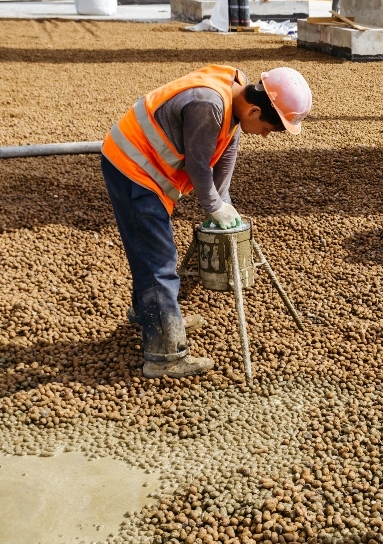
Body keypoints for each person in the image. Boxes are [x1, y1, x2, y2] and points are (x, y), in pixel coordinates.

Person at [101, 65, 312, 378]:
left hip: (139, 165)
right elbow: (198, 164)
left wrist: (222, 201)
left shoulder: (234, 93)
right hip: (134, 168)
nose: (267, 135)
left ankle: (153, 316)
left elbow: (227, 148)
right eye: (269, 128)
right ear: (255, 110)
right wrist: (212, 204)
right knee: (158, 259)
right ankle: (164, 356)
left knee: (147, 250)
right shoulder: (209, 104)